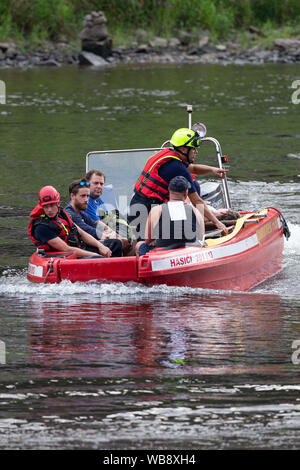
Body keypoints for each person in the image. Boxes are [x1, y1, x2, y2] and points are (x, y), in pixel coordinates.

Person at [128, 127, 228, 240]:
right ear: (184, 149)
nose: (196, 151)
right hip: (147, 210)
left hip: (136, 206)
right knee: (147, 242)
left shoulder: (168, 155)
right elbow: (197, 201)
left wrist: (212, 169)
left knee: (138, 241)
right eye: (193, 149)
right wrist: (217, 222)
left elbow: (194, 169)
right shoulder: (177, 168)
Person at [28, 185, 114, 258]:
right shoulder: (41, 227)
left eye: (52, 205)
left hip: (77, 249)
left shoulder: (62, 214)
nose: (49, 210)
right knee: (96, 258)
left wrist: (101, 246)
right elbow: (66, 249)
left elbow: (82, 233)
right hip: (63, 257)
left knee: (115, 244)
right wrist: (95, 255)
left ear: (58, 203)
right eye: (46, 206)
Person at [136, 176, 205, 258]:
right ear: (186, 193)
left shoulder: (156, 210)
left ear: (169, 190)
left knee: (140, 245)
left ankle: (142, 269)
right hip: (189, 252)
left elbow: (148, 240)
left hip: (163, 254)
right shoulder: (195, 210)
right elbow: (201, 237)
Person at [64, 179, 123, 257]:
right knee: (115, 243)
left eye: (88, 196)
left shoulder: (82, 213)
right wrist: (106, 236)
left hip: (86, 245)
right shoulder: (69, 213)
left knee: (118, 240)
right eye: (83, 196)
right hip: (79, 250)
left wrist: (112, 233)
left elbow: (95, 226)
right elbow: (87, 230)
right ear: (72, 196)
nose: (86, 200)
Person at [84, 169, 133, 254]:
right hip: (95, 236)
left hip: (106, 232)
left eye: (101, 184)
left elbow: (108, 218)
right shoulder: (87, 201)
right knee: (122, 241)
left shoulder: (98, 200)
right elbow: (97, 222)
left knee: (136, 237)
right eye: (95, 183)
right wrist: (117, 235)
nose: (99, 186)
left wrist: (129, 231)